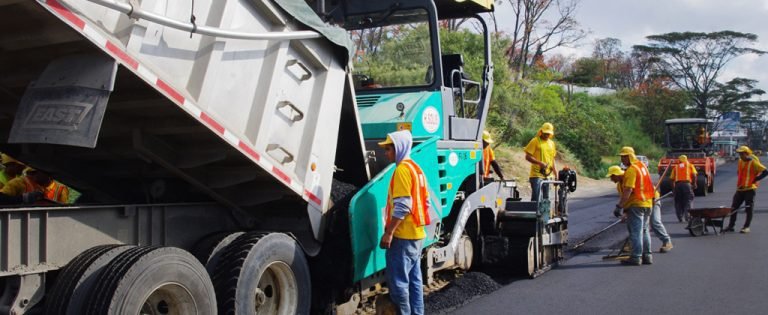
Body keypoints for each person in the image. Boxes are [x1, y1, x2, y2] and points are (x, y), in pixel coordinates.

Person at [378, 130, 429, 315]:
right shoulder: (417, 169)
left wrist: (389, 232)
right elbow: (426, 202)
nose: (386, 153)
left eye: (389, 149)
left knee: (399, 284)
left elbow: (403, 206)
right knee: (415, 282)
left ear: (399, 148)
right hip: (417, 236)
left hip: (402, 237)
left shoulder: (401, 171)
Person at [616, 147, 654, 265]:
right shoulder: (643, 167)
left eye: (624, 156)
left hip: (636, 204)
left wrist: (620, 206)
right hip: (648, 203)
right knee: (644, 230)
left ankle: (636, 257)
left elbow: (628, 190)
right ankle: (647, 256)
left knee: (636, 232)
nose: (622, 159)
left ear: (630, 156)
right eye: (621, 156)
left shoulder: (632, 170)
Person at [724, 146, 768, 233]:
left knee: (749, 208)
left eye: (742, 154)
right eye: (739, 154)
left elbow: (765, 171)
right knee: (734, 208)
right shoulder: (740, 161)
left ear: (747, 154)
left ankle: (746, 227)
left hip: (750, 189)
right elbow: (739, 172)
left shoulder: (753, 162)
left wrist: (756, 179)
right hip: (740, 189)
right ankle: (731, 226)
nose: (740, 156)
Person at [525, 123, 557, 202]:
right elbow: (527, 157)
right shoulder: (535, 141)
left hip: (548, 175)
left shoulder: (551, 143)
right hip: (536, 175)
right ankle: (534, 213)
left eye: (548, 133)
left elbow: (552, 159)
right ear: (541, 131)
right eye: (545, 133)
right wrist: (540, 163)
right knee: (536, 198)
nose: (546, 135)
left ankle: (544, 214)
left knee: (546, 199)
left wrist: (556, 174)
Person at [670, 155, 697, 223]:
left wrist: (673, 189)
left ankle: (680, 217)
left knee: (678, 201)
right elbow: (694, 175)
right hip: (687, 184)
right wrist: (694, 184)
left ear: (679, 160)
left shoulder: (676, 167)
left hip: (677, 185)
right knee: (688, 200)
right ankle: (688, 216)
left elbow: (671, 179)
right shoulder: (690, 165)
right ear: (686, 159)